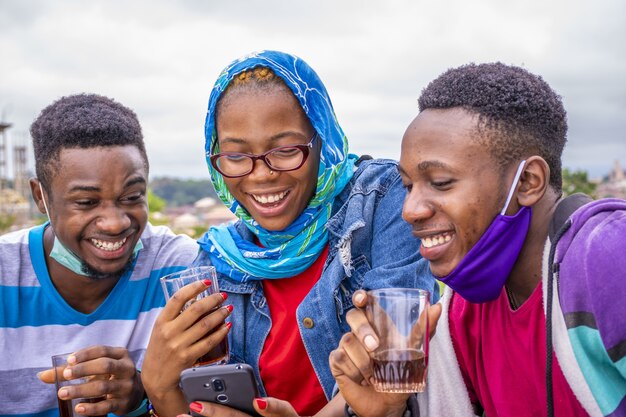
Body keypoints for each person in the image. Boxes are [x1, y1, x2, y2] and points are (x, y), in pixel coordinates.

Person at [141, 50, 437, 417]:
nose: (262, 174)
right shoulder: (217, 261)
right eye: (236, 156)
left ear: (321, 140)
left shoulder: (381, 199)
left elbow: (395, 369)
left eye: (284, 150)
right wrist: (158, 387)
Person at [330, 62, 626, 417]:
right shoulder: (460, 311)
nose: (410, 210)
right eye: (409, 186)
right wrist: (389, 411)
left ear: (528, 181)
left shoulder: (607, 255)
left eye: (440, 182)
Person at [0, 94, 199, 417]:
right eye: (87, 203)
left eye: (132, 196)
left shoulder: (179, 269)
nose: (115, 222)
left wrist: (140, 397)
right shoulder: (4, 272)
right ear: (41, 197)